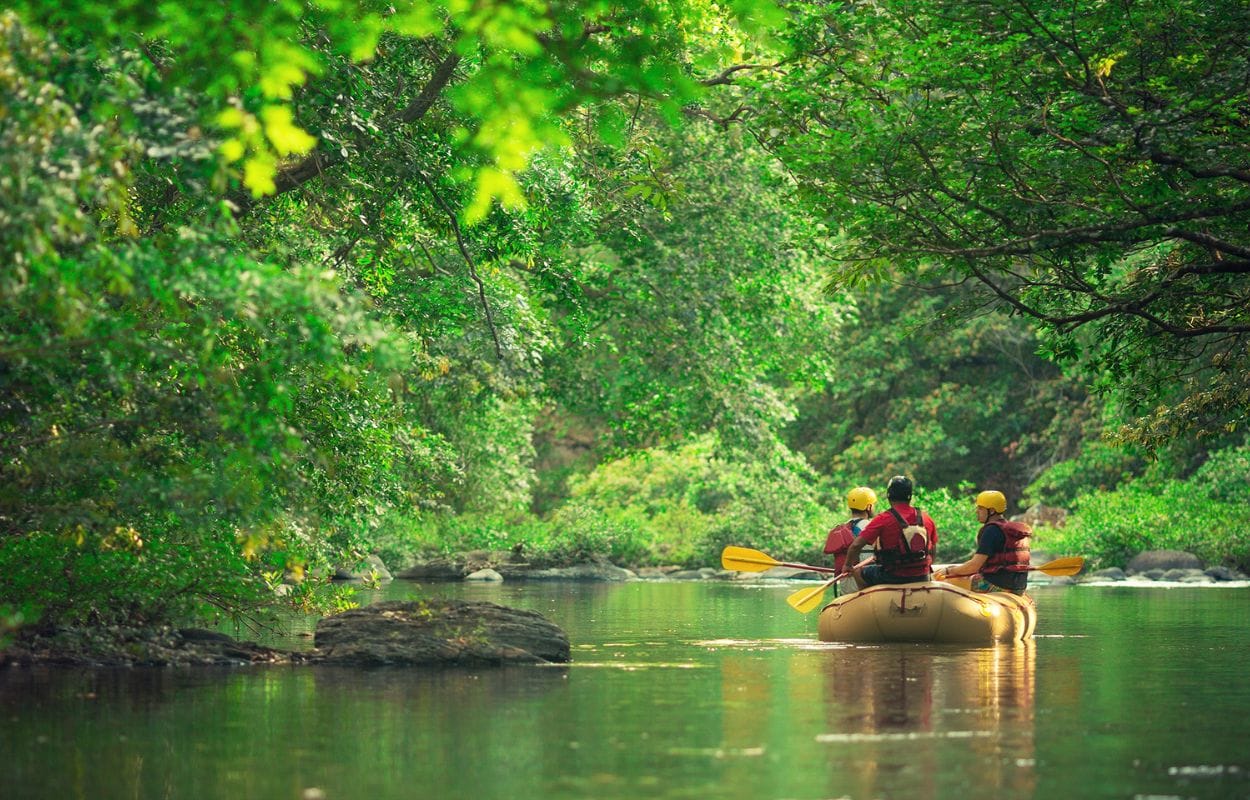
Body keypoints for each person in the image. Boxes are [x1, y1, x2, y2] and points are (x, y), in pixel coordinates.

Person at [846, 475, 937, 589]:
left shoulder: (883, 519)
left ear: (889, 496)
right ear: (910, 496)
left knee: (859, 571)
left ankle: (864, 599)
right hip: (923, 576)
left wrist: (847, 566)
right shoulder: (926, 518)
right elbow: (933, 551)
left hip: (893, 576)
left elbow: (855, 546)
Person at [934, 490, 1031, 595]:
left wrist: (949, 571)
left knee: (944, 581)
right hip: (1018, 586)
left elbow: (974, 566)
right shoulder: (1011, 531)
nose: (977, 511)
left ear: (992, 511)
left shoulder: (992, 531)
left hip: (996, 585)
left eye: (980, 509)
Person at [822, 486, 876, 574]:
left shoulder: (843, 526)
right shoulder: (871, 526)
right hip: (864, 579)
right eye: (873, 504)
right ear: (869, 507)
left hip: (844, 581)